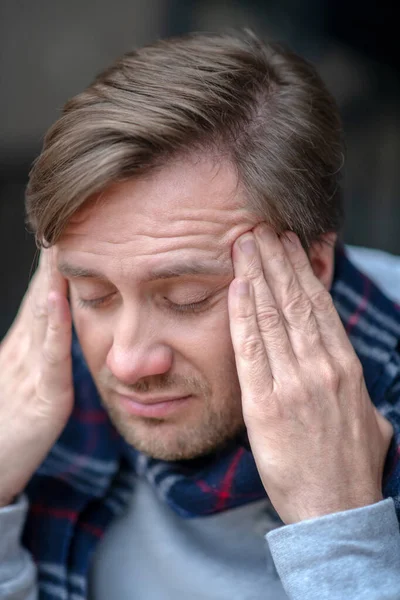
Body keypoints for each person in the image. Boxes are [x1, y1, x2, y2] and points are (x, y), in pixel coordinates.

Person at [0, 30, 400, 600]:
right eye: (93, 294)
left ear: (312, 268)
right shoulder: (36, 393)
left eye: (187, 298)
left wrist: (341, 536)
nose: (128, 360)